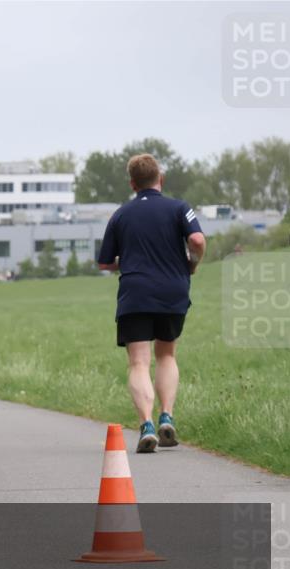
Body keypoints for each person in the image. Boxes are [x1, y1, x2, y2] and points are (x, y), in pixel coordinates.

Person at [97, 153, 206, 453]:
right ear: (161, 178)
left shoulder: (120, 215)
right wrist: (192, 264)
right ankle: (166, 417)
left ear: (132, 183)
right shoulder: (179, 208)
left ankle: (146, 425)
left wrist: (128, 260)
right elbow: (196, 240)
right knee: (167, 355)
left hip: (135, 292)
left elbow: (104, 262)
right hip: (173, 290)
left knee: (138, 361)